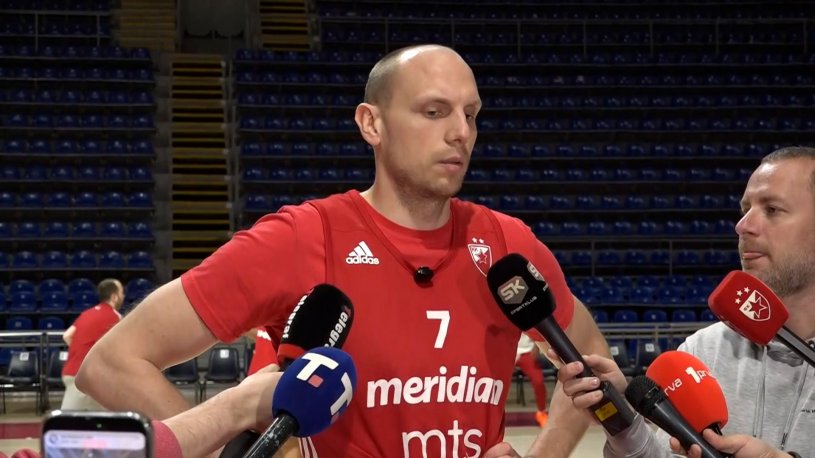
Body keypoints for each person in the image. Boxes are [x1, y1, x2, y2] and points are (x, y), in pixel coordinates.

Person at [77, 44, 612, 457]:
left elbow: (590, 357)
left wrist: (545, 453)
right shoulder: (302, 237)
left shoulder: (506, 243)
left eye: (470, 114)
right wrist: (229, 451)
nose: (460, 133)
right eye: (434, 112)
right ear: (371, 124)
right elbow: (110, 363)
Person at [557, 146, 815, 458]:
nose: (743, 225)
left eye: (772, 209)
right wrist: (622, 422)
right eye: (745, 209)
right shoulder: (703, 352)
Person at [61, 278, 125, 410]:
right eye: (121, 293)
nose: (123, 296)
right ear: (114, 297)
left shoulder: (86, 314)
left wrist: (81, 351)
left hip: (72, 371)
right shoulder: (115, 317)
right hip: (88, 376)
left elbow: (67, 335)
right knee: (69, 420)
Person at [515, 333, 549, 427]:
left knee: (538, 381)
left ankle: (541, 412)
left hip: (527, 353)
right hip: (509, 350)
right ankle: (495, 414)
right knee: (498, 381)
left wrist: (536, 346)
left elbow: (538, 332)